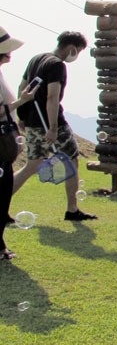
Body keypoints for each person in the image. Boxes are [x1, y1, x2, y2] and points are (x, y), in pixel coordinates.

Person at [11, 31, 96, 221]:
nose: (76, 55)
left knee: (30, 166)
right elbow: (52, 97)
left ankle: (2, 204)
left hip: (32, 121)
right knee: (72, 161)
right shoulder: (57, 65)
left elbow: (22, 87)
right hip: (50, 122)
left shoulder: (36, 58)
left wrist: (22, 117)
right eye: (78, 51)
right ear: (71, 48)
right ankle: (72, 209)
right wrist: (53, 128)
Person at [1, 27, 39, 258]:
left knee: (3, 195)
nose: (10, 54)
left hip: (5, 144)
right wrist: (21, 101)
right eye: (6, 50)